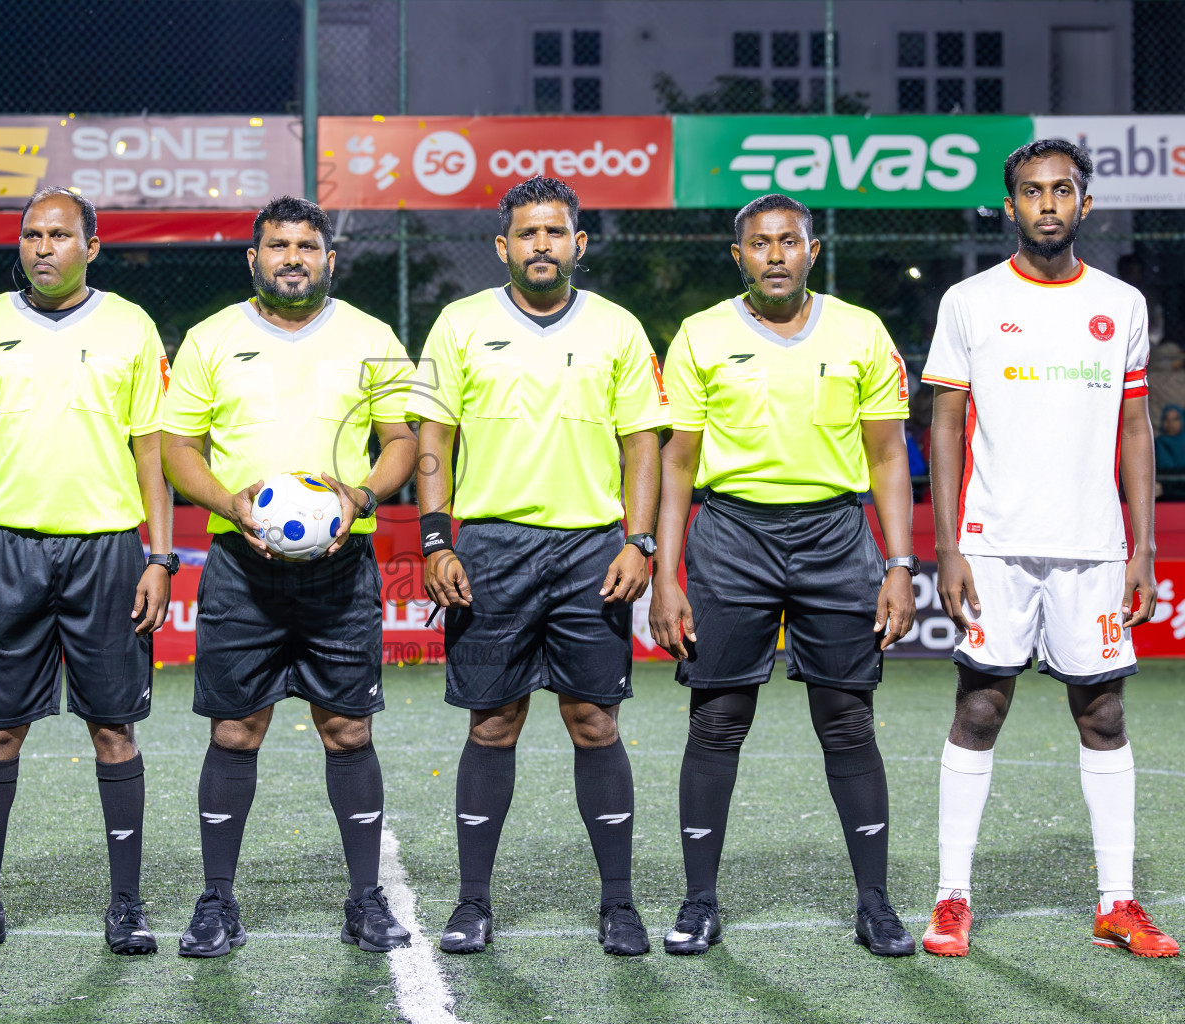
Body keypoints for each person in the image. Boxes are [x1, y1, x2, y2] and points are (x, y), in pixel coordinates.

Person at [919, 139, 1177, 958]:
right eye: (1032, 192)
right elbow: (946, 424)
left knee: (1102, 713)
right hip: (995, 545)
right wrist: (950, 542)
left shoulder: (1122, 305)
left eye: (1062, 190)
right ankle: (951, 897)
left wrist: (1139, 546)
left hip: (1095, 547)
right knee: (980, 707)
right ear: (1011, 206)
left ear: (1085, 205)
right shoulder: (969, 301)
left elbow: (1135, 427)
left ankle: (1117, 901)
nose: (1048, 205)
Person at [650, 193, 918, 958]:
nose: (775, 255)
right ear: (738, 256)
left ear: (813, 251)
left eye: (789, 242)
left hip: (836, 536)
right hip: (731, 535)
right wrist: (667, 574)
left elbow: (888, 456)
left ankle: (876, 903)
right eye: (760, 244)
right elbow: (677, 465)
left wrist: (899, 565)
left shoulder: (862, 330)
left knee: (847, 719)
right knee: (718, 720)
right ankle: (699, 901)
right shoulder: (700, 335)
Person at [410, 176, 665, 958]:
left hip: (592, 549)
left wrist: (641, 540)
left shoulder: (619, 329)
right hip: (489, 549)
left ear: (579, 243)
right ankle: (473, 903)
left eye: (556, 232)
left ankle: (618, 905)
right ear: (503, 246)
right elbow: (433, 438)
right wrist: (434, 538)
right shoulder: (459, 325)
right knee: (494, 723)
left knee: (595, 721)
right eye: (527, 233)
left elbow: (642, 445)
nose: (542, 245)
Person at [162, 196, 417, 957]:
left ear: (328, 258)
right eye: (278, 245)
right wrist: (231, 505)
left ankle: (365, 900)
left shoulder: (373, 337)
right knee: (235, 730)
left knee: (348, 729)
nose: (293, 257)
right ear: (254, 258)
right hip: (241, 566)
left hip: (343, 569)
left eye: (307, 244)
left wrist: (363, 496)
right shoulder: (212, 339)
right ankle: (216, 901)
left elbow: (401, 439)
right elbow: (179, 449)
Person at [0, 186, 174, 957]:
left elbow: (152, 453)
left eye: (60, 235)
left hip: (107, 550)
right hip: (7, 550)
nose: (43, 247)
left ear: (90, 247)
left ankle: (127, 907)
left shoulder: (132, 326)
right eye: (32, 234)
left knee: (114, 728)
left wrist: (161, 557)